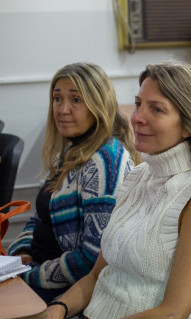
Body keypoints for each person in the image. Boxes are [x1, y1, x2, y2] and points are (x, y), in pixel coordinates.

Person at [32, 61, 191, 319]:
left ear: (190, 124)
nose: (137, 117)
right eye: (138, 104)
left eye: (157, 109)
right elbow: (98, 273)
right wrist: (56, 309)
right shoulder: (139, 175)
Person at [6, 62, 136, 303]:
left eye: (76, 100)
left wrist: (29, 276)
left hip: (69, 290)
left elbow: (93, 258)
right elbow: (40, 216)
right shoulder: (70, 151)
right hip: (37, 270)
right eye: (57, 98)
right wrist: (21, 253)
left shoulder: (105, 160)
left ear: (98, 105)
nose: (62, 109)